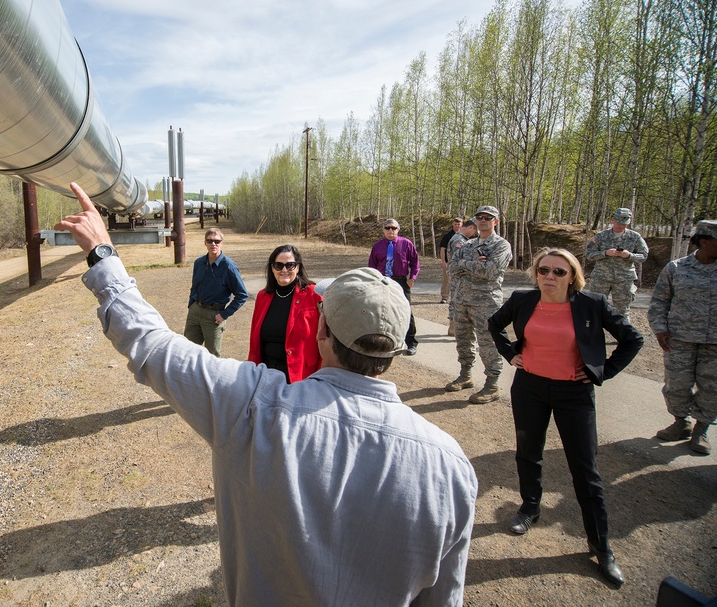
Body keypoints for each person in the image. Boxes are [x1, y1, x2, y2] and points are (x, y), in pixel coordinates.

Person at [55, 183, 478, 606]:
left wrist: (104, 256)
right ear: (398, 346)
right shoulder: (451, 467)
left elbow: (152, 344)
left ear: (322, 330)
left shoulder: (253, 408)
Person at [488, 247, 642, 588]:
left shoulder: (593, 304)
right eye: (544, 270)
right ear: (535, 272)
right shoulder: (522, 300)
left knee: (585, 469)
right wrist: (511, 354)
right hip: (529, 388)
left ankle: (601, 546)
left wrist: (602, 371)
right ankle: (530, 508)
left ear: (572, 275)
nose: (550, 277)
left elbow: (633, 339)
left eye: (559, 271)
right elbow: (494, 325)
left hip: (574, 394)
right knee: (528, 452)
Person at [648, 220, 717, 456]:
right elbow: (659, 301)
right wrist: (659, 329)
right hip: (679, 339)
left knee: (712, 388)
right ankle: (681, 422)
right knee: (676, 384)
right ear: (704, 241)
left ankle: (702, 430)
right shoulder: (676, 268)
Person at [446, 205, 512, 403]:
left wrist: (466, 264)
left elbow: (489, 272)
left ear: (496, 221)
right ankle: (466, 375)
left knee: (488, 343)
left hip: (486, 303)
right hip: (462, 299)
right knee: (463, 340)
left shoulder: (501, 245)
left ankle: (492, 384)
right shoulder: (467, 244)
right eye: (479, 217)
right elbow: (451, 268)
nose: (483, 220)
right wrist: (476, 263)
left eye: (488, 217)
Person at [247, 245, 322, 382]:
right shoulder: (263, 296)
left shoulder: (314, 294)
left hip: (302, 375)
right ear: (272, 268)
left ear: (298, 267)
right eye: (278, 265)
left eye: (290, 265)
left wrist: (321, 377)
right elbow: (254, 341)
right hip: (266, 374)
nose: (284, 270)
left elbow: (325, 340)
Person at [184, 227, 248, 356]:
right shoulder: (199, 263)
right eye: (210, 241)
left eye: (217, 241)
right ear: (205, 243)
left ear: (222, 243)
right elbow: (195, 286)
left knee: (212, 355)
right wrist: (191, 305)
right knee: (187, 350)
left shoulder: (229, 267)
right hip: (195, 312)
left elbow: (242, 295)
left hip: (214, 316)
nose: (213, 244)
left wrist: (224, 314)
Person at [585, 207, 649, 322]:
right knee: (595, 308)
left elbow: (643, 256)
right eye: (619, 223)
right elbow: (589, 255)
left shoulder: (635, 237)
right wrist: (605, 253)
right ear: (612, 220)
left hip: (623, 279)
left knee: (622, 311)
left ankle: (624, 338)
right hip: (601, 278)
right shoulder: (601, 236)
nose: (621, 226)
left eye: (624, 224)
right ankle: (592, 337)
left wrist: (629, 256)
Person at [368, 218, 420, 355]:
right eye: (387, 228)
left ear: (398, 230)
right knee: (382, 310)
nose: (391, 230)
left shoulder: (406, 244)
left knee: (406, 310)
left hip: (401, 281)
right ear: (383, 230)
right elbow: (372, 266)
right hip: (382, 281)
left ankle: (411, 343)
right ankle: (385, 341)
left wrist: (412, 279)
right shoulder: (377, 246)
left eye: (394, 228)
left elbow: (415, 263)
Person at [446, 219, 478, 336]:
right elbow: (459, 259)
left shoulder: (461, 239)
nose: (474, 234)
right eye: (475, 231)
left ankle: (454, 328)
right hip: (459, 275)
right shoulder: (459, 240)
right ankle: (454, 328)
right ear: (471, 227)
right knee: (456, 301)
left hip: (459, 275)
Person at [439, 217, 464, 304]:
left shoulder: (465, 236)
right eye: (455, 224)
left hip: (462, 262)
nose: (457, 226)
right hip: (449, 262)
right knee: (447, 280)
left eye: (459, 224)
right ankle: (444, 297)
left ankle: (459, 297)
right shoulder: (448, 236)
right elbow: (443, 249)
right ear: (453, 225)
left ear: (462, 225)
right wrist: (443, 261)